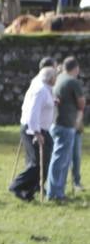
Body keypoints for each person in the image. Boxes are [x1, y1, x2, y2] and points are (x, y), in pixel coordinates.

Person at [10, 66, 58, 201]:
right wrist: (36, 133)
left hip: (42, 129)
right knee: (37, 163)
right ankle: (17, 186)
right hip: (34, 129)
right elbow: (33, 113)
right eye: (55, 76)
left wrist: (53, 102)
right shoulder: (41, 90)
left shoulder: (45, 89)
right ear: (51, 79)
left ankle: (29, 191)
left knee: (45, 161)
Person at [46, 57, 85, 200]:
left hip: (55, 123)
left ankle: (58, 191)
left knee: (60, 159)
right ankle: (55, 193)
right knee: (61, 161)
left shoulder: (59, 78)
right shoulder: (72, 82)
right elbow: (81, 103)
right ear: (76, 68)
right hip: (67, 124)